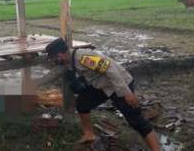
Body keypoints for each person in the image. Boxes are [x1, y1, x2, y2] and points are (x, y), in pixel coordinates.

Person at [32, 38, 160, 151]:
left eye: (53, 58)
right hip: (103, 86)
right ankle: (89, 134)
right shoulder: (67, 62)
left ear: (59, 55)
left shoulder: (83, 57)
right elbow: (53, 74)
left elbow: (110, 69)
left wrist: (126, 93)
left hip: (120, 84)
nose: (54, 61)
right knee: (82, 104)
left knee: (137, 122)